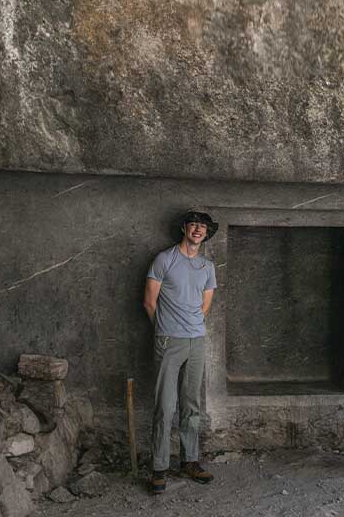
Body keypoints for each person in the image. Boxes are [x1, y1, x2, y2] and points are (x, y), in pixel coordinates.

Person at [143, 210, 219, 495]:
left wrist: (190, 327)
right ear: (184, 228)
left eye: (203, 227)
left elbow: (205, 306)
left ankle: (189, 461)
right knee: (165, 405)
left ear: (207, 233)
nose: (198, 230)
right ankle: (159, 468)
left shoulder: (207, 266)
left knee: (191, 404)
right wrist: (166, 330)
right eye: (194, 225)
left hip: (196, 341)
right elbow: (149, 302)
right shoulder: (165, 259)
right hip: (169, 341)